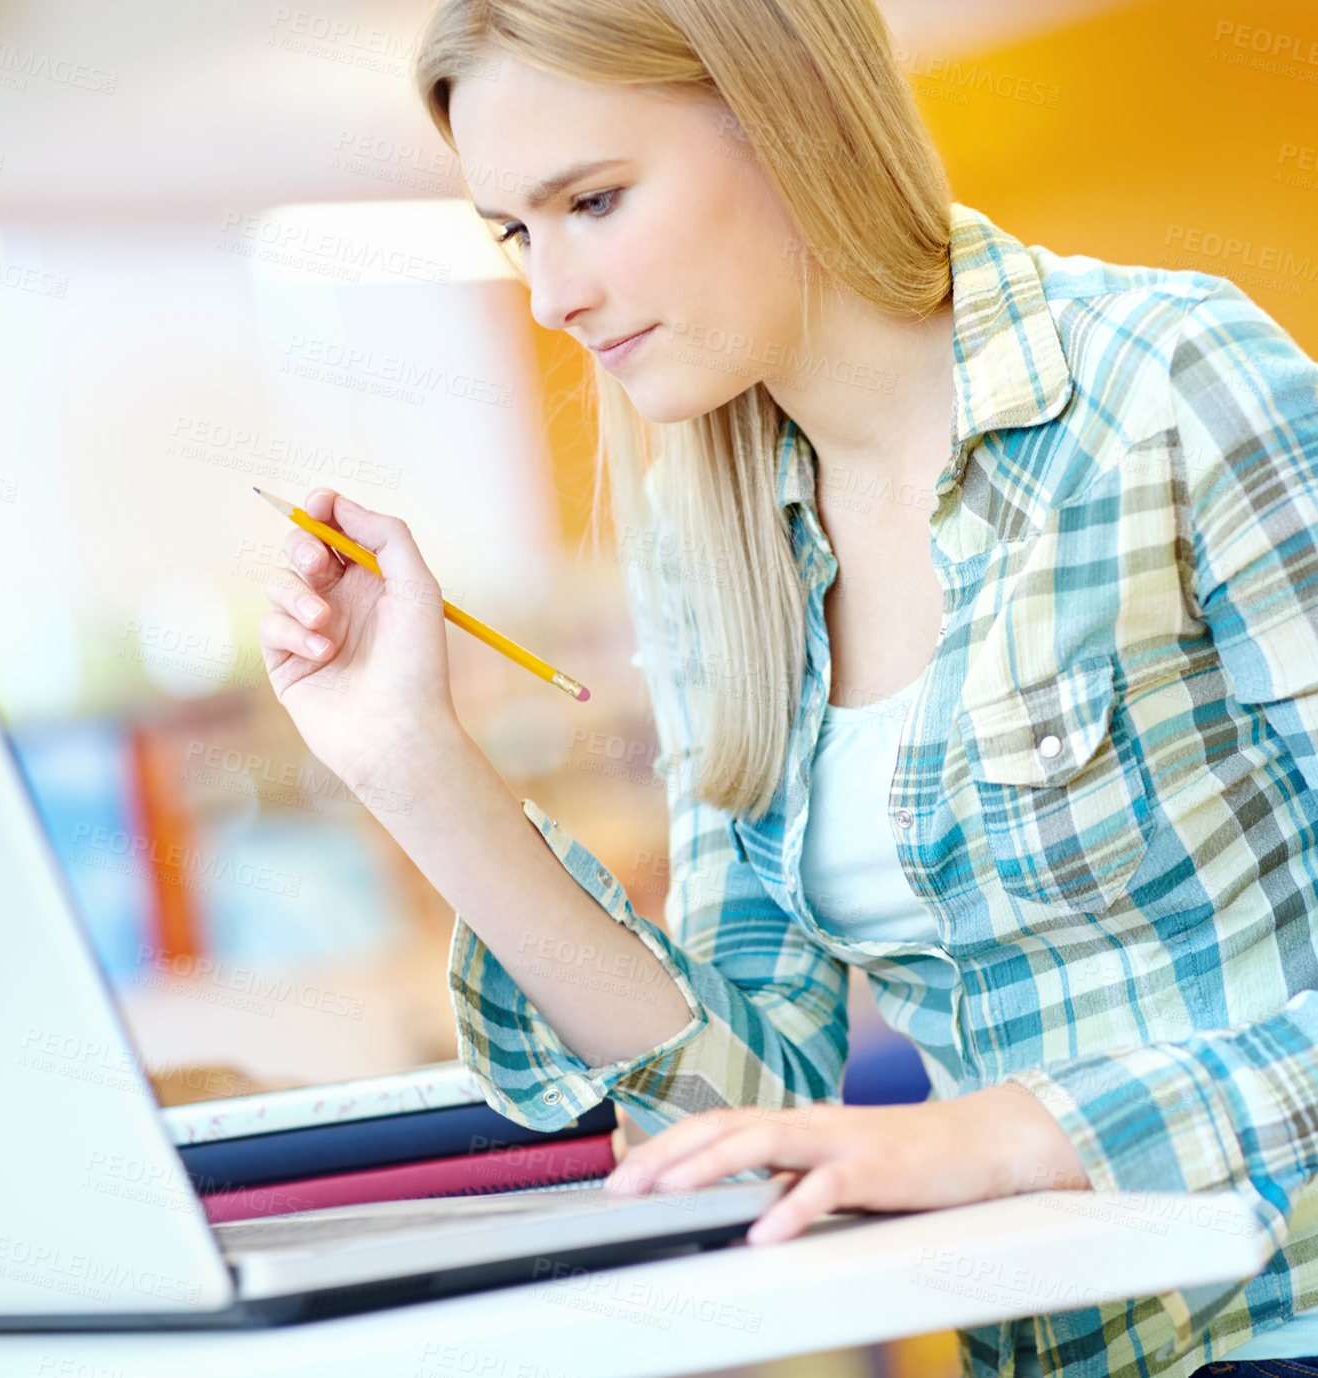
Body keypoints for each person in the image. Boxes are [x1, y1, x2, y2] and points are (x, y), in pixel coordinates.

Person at [255, 1, 1318, 1374]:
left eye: (593, 200)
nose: (549, 294)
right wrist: (412, 763)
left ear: (792, 120)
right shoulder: (714, 542)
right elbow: (746, 1108)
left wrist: (1004, 1134)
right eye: (516, 231)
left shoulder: (1165, 382)